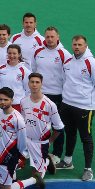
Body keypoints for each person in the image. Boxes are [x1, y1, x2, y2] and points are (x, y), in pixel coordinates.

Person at [59, 35, 95, 181]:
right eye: (74, 44)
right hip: (67, 104)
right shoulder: (68, 62)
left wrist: (91, 102)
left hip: (84, 107)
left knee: (86, 137)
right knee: (69, 133)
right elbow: (66, 80)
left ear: (85, 46)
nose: (76, 47)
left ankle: (88, 169)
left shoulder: (92, 64)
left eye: (79, 44)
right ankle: (68, 160)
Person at [31, 26, 71, 164]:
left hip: (57, 94)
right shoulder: (37, 52)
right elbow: (33, 71)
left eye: (52, 37)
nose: (49, 39)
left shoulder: (64, 54)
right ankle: (35, 149)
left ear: (58, 37)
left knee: (57, 125)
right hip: (40, 94)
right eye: (47, 37)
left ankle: (56, 153)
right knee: (37, 122)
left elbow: (68, 75)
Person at [20, 73, 64, 179]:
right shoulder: (23, 101)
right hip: (26, 140)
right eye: (32, 82)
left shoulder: (50, 105)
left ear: (41, 84)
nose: (34, 85)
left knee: (35, 178)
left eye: (37, 82)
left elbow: (59, 128)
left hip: (40, 143)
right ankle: (45, 160)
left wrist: (49, 142)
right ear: (28, 84)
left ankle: (46, 160)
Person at [0, 44, 30, 111]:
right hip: (1, 104)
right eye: (9, 53)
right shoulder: (1, 68)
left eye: (14, 53)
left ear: (19, 54)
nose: (12, 56)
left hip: (17, 105)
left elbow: (28, 90)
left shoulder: (25, 71)